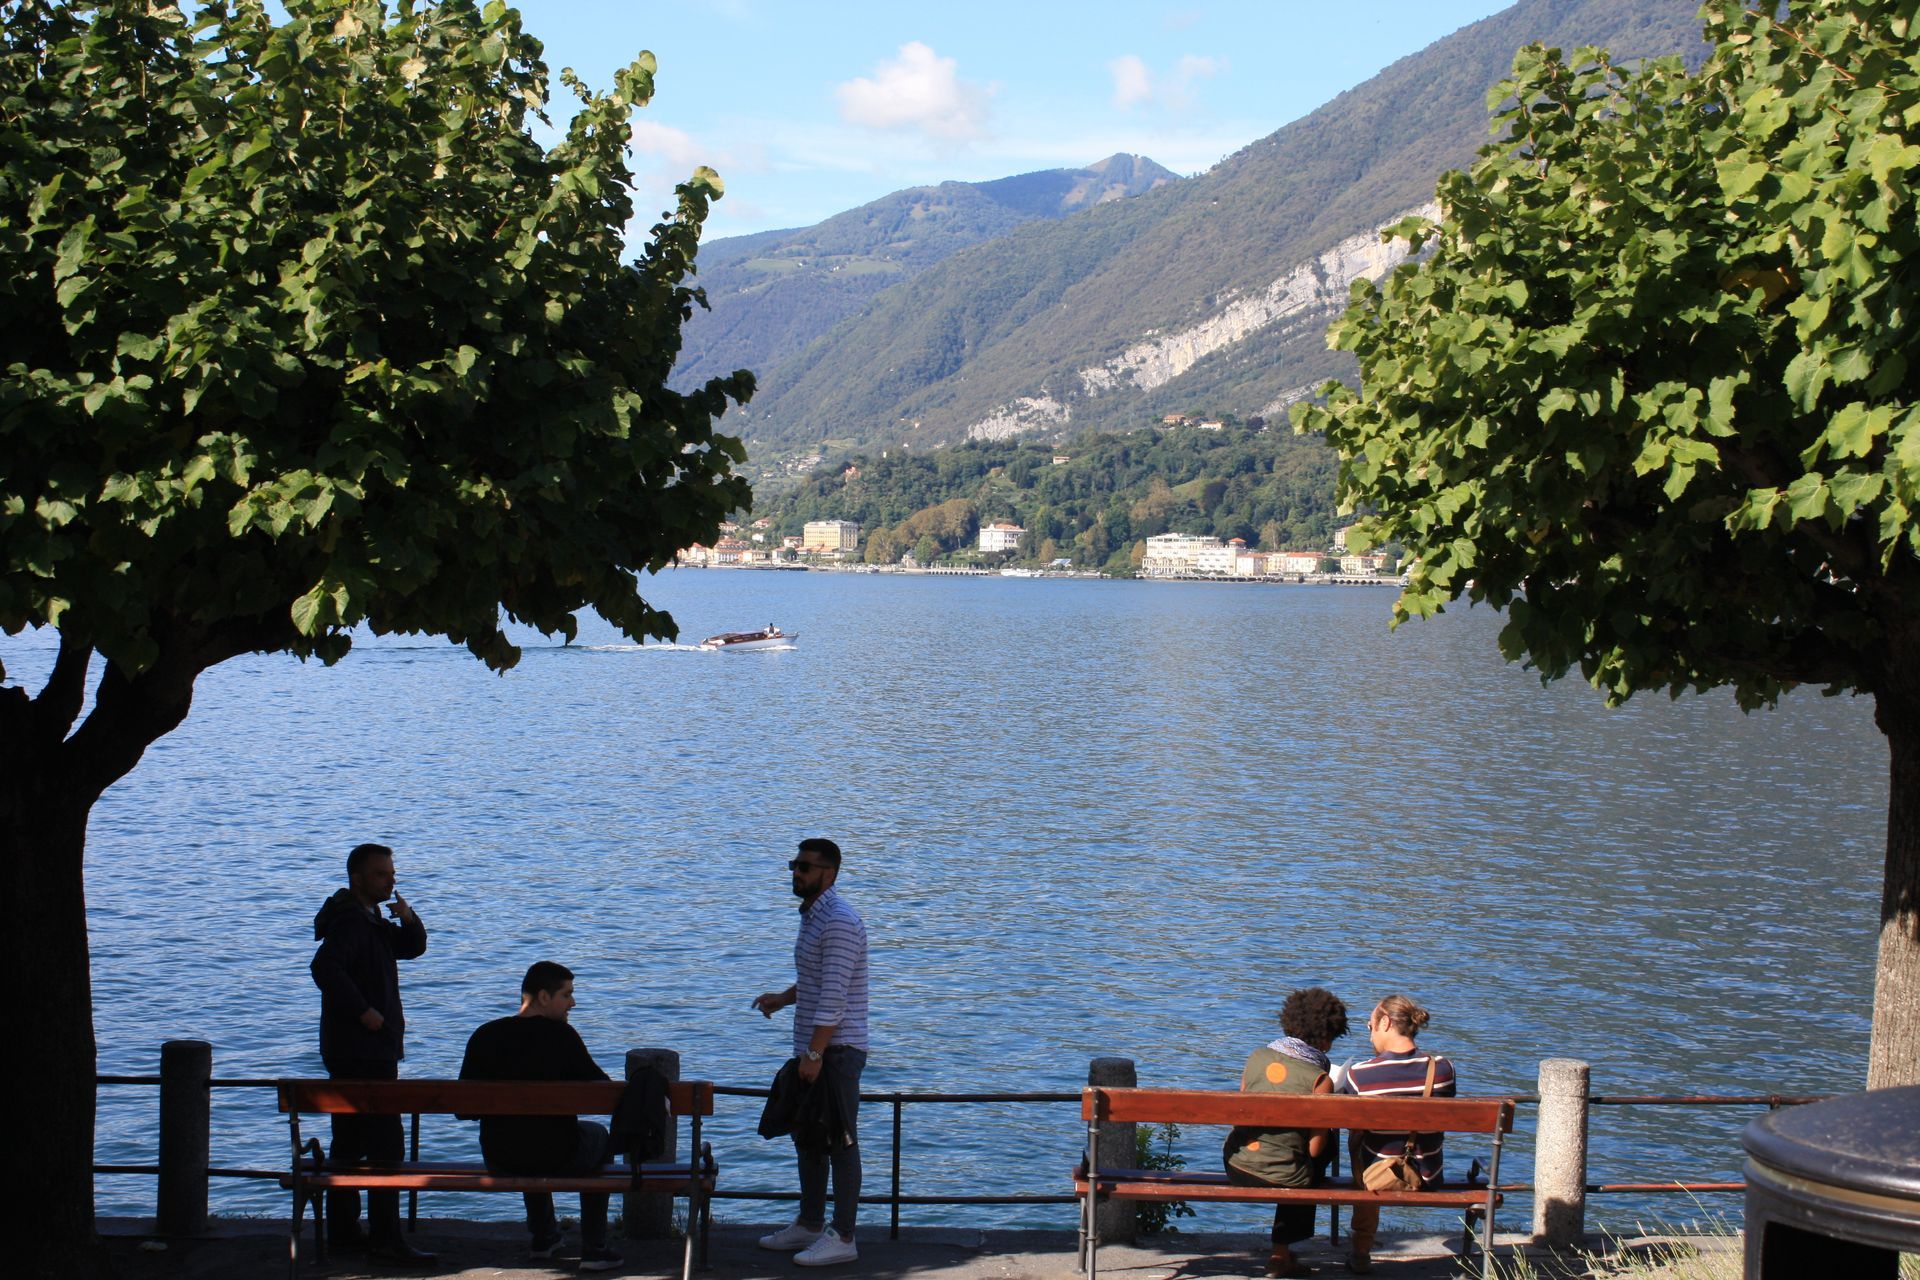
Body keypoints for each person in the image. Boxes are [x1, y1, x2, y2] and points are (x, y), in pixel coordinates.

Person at [308, 842, 435, 1265]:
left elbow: (412, 949)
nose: (392, 880)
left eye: (393, 873)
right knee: (385, 1146)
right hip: (363, 1050)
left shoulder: (370, 920)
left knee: (349, 1141)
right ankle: (386, 1237)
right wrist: (364, 1012)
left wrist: (409, 918)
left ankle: (345, 1233)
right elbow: (324, 968)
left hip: (356, 1049)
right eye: (383, 874)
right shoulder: (351, 923)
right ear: (358, 879)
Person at [459, 961, 623, 1273]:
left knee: (524, 1133)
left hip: (499, 1156)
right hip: (559, 1155)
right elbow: (604, 1093)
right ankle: (595, 1247)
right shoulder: (561, 1037)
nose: (573, 1003)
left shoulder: (485, 1035)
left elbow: (463, 1108)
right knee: (598, 1137)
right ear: (543, 997)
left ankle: (544, 1236)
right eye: (567, 995)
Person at [751, 838, 870, 1266]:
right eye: (793, 865)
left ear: (829, 873)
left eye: (805, 867)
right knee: (808, 1137)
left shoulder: (837, 921)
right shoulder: (815, 917)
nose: (796, 873)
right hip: (816, 1048)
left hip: (835, 1051)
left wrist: (815, 1056)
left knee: (839, 1140)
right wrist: (784, 998)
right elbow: (819, 981)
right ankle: (810, 1223)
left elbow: (835, 997)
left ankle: (844, 1236)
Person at [1222, 987, 1351, 1278]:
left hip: (1236, 1164)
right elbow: (1316, 1151)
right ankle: (1280, 1254)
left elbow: (1241, 1114)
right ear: (1324, 1037)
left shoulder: (1256, 1057)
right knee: (1311, 1159)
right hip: (1286, 1174)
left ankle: (1282, 1253)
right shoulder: (1319, 1079)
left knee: (1289, 1155)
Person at [1339, 995, 1457, 1275]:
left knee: (1359, 1141)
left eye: (1370, 1025)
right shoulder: (1442, 1070)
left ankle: (1360, 1251)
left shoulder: (1359, 1076)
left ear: (1386, 1022)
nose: (1369, 1031)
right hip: (1428, 1176)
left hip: (1375, 1180)